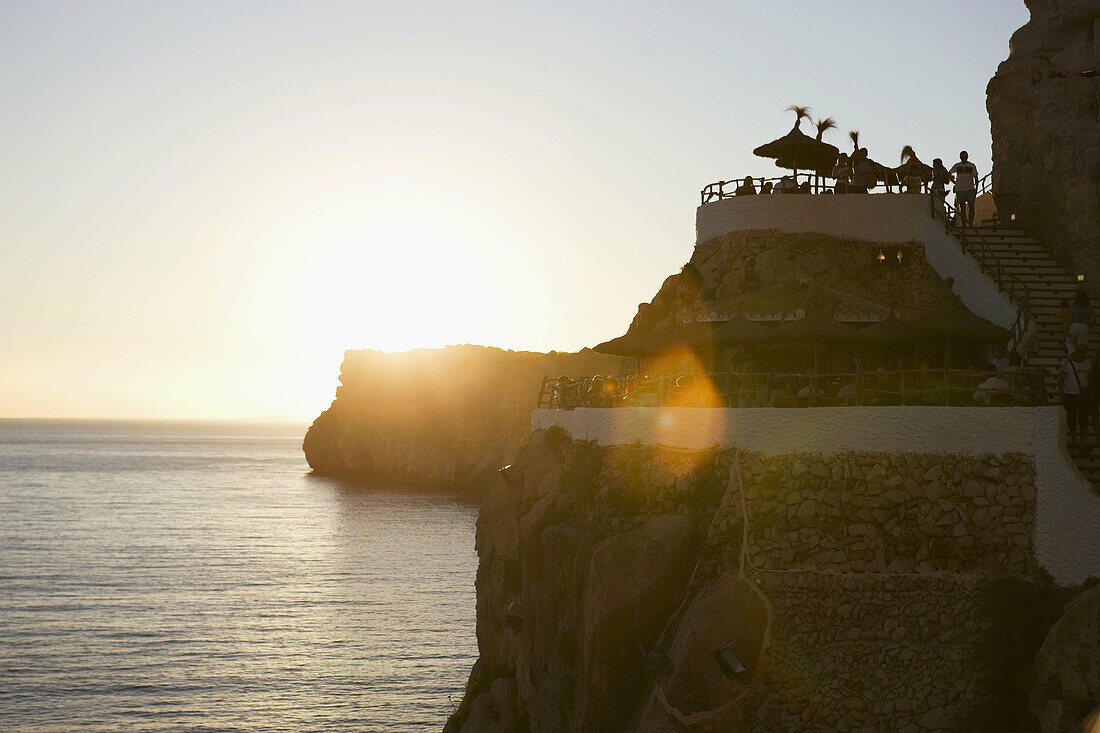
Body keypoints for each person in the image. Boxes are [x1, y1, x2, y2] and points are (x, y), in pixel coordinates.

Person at [1058, 347, 1091, 449]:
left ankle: (1083, 442)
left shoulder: (1087, 363)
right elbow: (1061, 379)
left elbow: (1089, 380)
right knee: (1072, 418)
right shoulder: (1067, 363)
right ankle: (1073, 440)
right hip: (1070, 394)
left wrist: (1091, 394)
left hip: (1083, 394)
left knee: (1084, 418)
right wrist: (1061, 394)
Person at [949, 151, 979, 226]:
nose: (964, 159)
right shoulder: (957, 165)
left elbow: (976, 177)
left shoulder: (971, 165)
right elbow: (949, 173)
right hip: (960, 189)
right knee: (962, 208)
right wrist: (955, 182)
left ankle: (970, 224)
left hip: (970, 188)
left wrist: (976, 188)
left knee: (971, 206)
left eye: (965, 157)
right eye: (962, 157)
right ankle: (964, 225)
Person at [1067, 288, 1093, 355]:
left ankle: (1072, 356)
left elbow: (1069, 318)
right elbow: (1094, 319)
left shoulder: (1073, 307)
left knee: (1070, 343)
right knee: (1081, 345)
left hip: (1074, 325)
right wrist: (1089, 326)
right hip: (1085, 325)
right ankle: (1080, 358)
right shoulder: (1089, 307)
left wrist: (1067, 330)